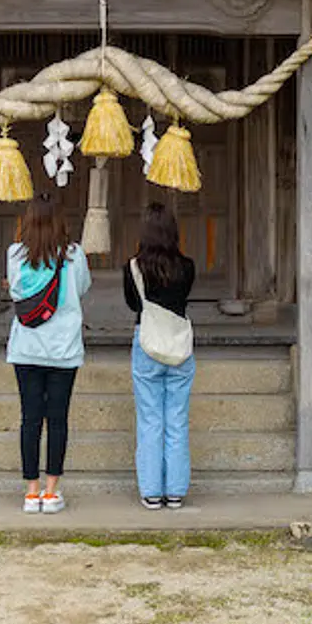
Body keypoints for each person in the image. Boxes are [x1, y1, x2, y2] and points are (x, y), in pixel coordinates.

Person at [6, 194, 88, 514]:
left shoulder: (15, 254)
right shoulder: (74, 256)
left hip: (26, 347)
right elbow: (82, 289)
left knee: (30, 419)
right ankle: (52, 492)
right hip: (64, 348)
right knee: (57, 420)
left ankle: (31, 492)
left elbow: (15, 292)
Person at [122, 202, 197, 509]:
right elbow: (183, 298)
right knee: (176, 419)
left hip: (147, 343)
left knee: (150, 419)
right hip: (180, 346)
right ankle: (176, 490)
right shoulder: (187, 266)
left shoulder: (133, 267)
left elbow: (132, 303)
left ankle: (151, 491)